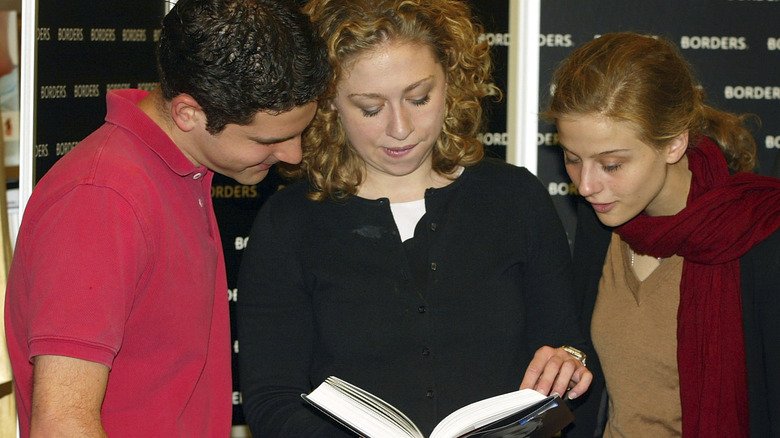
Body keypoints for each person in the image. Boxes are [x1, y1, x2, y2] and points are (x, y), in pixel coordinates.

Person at [236, 0, 593, 436]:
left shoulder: (514, 198)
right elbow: (272, 398)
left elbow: (566, 339)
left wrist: (568, 360)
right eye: (370, 108)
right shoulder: (289, 223)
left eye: (419, 98)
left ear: (453, 83)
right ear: (327, 105)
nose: (400, 128)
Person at [4, 0, 329, 435]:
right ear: (188, 114)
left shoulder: (182, 169)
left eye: (299, 133)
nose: (294, 154)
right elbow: (62, 424)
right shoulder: (102, 202)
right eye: (268, 139)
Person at [544, 32, 780, 437]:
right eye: (572, 158)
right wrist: (569, 356)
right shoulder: (600, 222)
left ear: (673, 142)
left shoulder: (757, 236)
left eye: (612, 164)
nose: (585, 185)